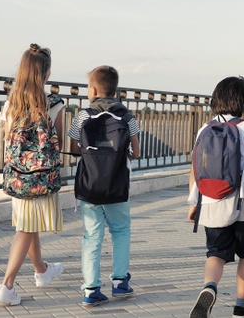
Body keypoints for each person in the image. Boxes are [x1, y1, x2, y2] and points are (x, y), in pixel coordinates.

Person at [188, 76, 244, 318]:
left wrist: (194, 202)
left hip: (211, 202)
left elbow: (195, 168)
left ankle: (209, 286)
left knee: (216, 253)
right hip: (243, 202)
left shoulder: (205, 128)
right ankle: (242, 305)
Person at [0, 43, 66, 306]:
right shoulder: (55, 104)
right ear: (45, 74)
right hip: (42, 176)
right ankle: (7, 285)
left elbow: (6, 139)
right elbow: (61, 144)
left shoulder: (9, 105)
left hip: (17, 176)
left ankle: (42, 271)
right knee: (25, 228)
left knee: (28, 223)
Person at [67, 65, 140, 307]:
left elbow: (75, 148)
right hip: (118, 184)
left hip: (90, 185)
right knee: (120, 230)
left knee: (92, 236)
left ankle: (91, 289)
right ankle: (120, 283)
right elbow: (136, 152)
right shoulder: (127, 117)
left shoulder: (83, 116)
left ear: (94, 90)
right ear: (115, 89)